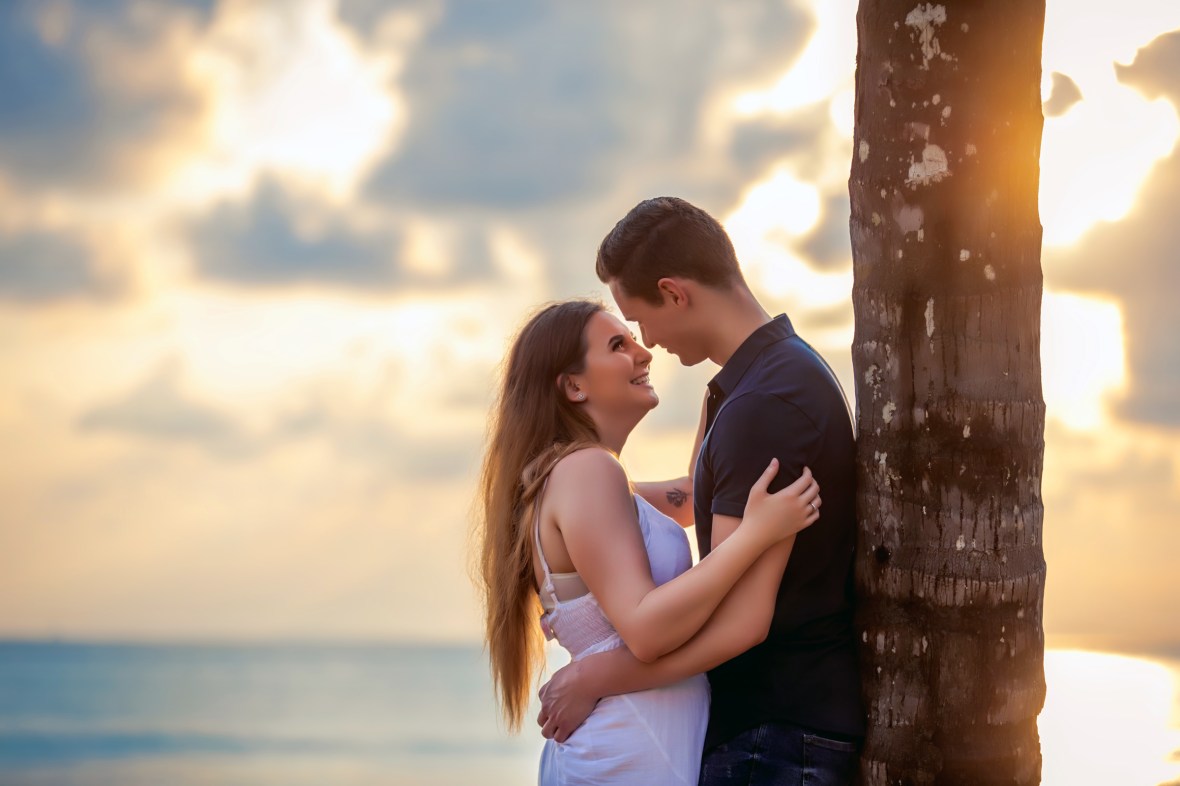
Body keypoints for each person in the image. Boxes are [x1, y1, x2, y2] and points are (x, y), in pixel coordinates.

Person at [537, 197, 865, 785]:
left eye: (639, 320)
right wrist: (566, 515)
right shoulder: (758, 386)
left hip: (775, 736)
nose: (646, 342)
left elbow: (743, 623)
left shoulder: (764, 405)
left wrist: (598, 675)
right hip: (775, 732)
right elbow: (689, 499)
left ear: (675, 293)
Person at [475, 298, 823, 785]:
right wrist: (755, 535)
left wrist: (725, 394)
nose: (644, 353)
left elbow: (697, 493)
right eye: (619, 344)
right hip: (629, 749)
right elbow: (646, 629)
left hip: (631, 743)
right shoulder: (587, 472)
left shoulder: (587, 480)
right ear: (573, 386)